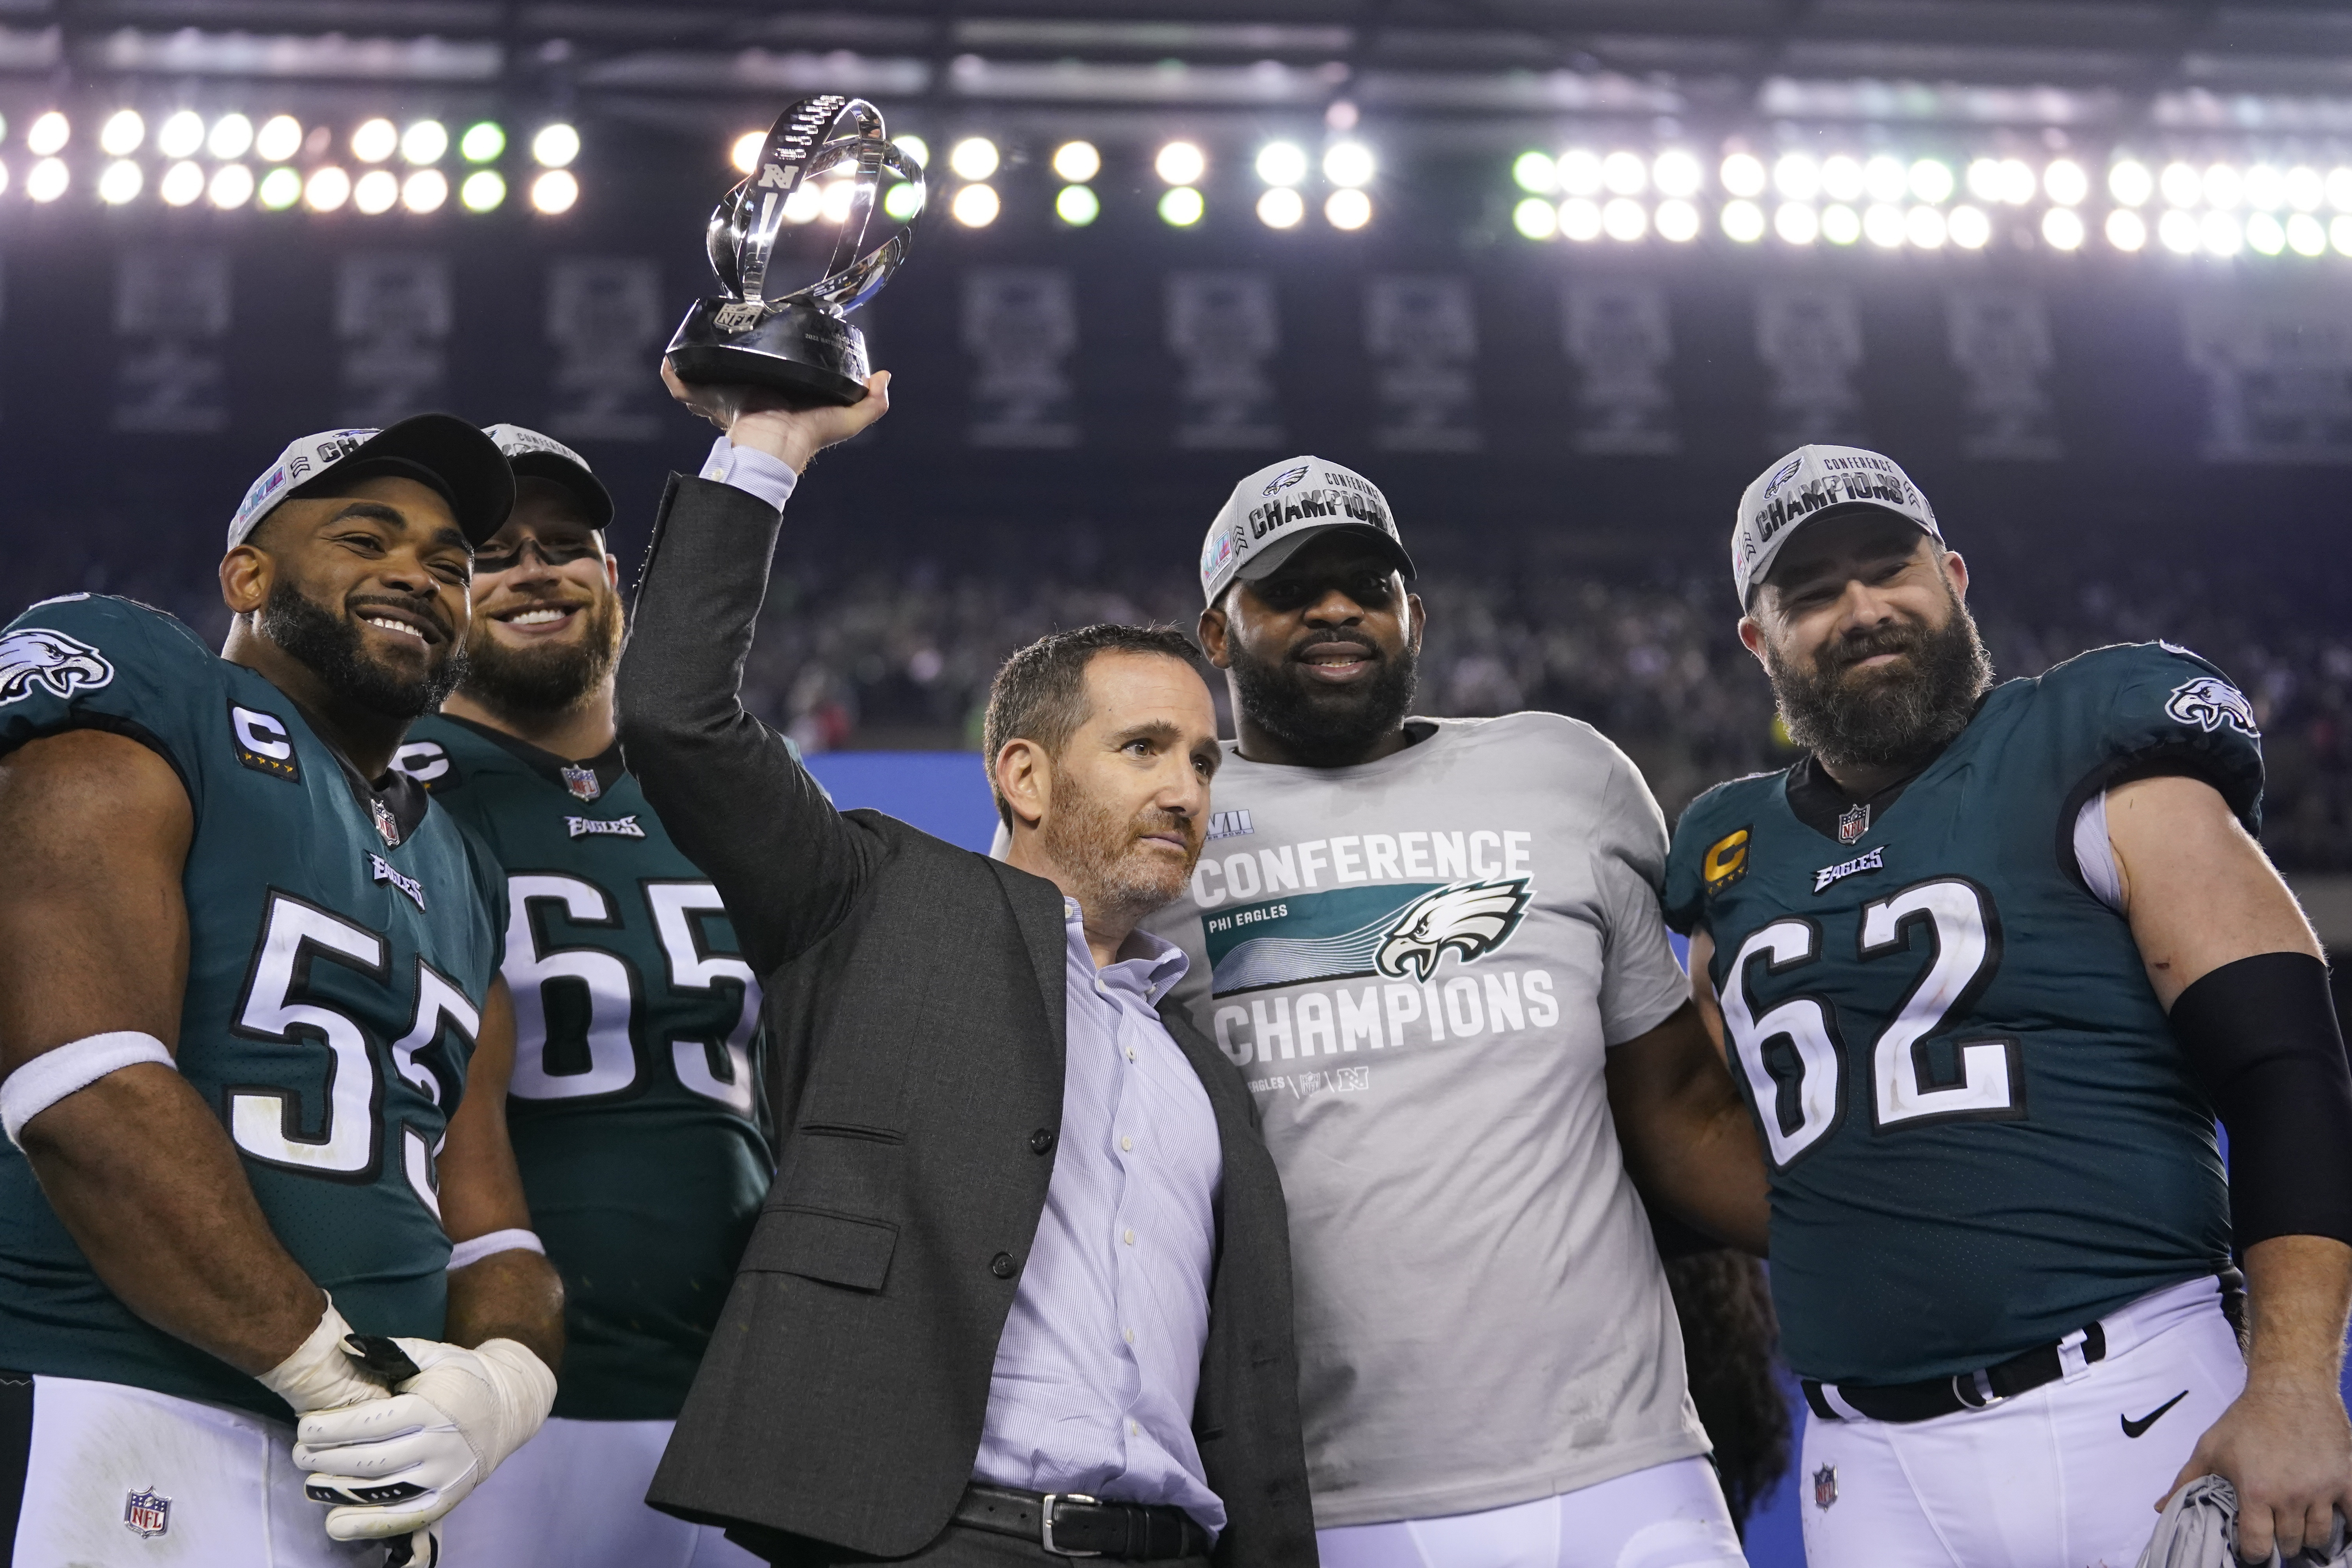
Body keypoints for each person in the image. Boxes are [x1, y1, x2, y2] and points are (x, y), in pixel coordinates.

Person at [615, 364, 1316, 1568]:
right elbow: (679, 715)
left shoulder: (1203, 1069)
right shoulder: (875, 904)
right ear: (1024, 775)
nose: (1184, 789)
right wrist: (771, 444)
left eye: (1204, 761)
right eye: (1143, 747)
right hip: (932, 1539)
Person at [1663, 443, 2352, 1567]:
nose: (1863, 609)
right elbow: (1722, 1136)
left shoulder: (2086, 741)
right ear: (1760, 640)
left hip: (2131, 1404)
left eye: (1891, 568)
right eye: (1813, 592)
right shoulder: (1726, 851)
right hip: (1864, 1464)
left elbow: (2285, 1068)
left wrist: (2290, 1386)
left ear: (1955, 578)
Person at [1140, 455, 1772, 1567]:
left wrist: (1899, 1236)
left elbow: (1677, 1110)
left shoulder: (1566, 774)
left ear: (1415, 616)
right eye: (1291, 589)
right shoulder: (1162, 824)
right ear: (1218, 633)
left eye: (1367, 586)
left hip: (1620, 1466)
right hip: (1313, 1495)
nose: (1336, 608)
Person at [0, 417, 564, 1566]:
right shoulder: (150, 684)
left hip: (353, 1473)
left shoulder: (462, 861)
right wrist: (334, 1377)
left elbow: (490, 1220)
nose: (420, 572)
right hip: (108, 1400)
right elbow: (80, 1088)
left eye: (453, 564)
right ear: (247, 573)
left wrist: (498, 1389)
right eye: (368, 536)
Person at [392, 425, 770, 1568]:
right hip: (503, 1400)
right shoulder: (388, 789)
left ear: (612, 580)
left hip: (744, 1404)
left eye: (566, 545)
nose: (535, 570)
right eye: (494, 553)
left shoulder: (726, 792)